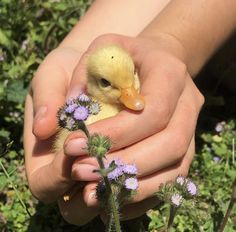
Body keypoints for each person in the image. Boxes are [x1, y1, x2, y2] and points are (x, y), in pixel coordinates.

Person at [23, 0, 236, 225]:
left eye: (133, 74)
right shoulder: (89, 111)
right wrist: (77, 46)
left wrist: (173, 45)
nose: (132, 96)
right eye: (107, 83)